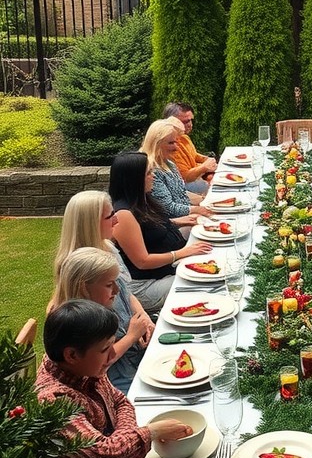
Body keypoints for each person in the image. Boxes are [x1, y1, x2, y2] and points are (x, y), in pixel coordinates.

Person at [35, 300, 193, 458]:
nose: (112, 355)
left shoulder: (83, 367)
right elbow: (104, 456)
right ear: (72, 355)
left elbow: (119, 401)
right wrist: (152, 432)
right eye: (104, 349)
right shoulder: (54, 401)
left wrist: (122, 439)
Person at [109, 151, 211, 313]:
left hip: (167, 268)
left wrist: (178, 222)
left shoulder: (142, 198)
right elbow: (142, 261)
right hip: (146, 284)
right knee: (202, 284)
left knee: (209, 252)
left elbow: (147, 228)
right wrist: (182, 253)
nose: (153, 177)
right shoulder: (123, 214)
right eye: (148, 173)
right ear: (134, 179)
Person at [50, 247, 152, 394]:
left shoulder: (107, 295)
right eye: (109, 285)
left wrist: (144, 318)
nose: (116, 290)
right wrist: (131, 336)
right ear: (83, 287)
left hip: (138, 362)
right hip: (117, 381)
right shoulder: (74, 324)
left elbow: (127, 295)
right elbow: (102, 362)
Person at [54, 188, 161, 318]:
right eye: (110, 216)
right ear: (91, 223)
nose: (116, 220)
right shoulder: (79, 266)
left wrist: (142, 314)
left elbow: (125, 291)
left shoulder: (108, 246)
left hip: (131, 324)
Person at [140, 118, 211, 218]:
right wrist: (196, 209)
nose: (176, 148)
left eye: (176, 142)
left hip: (184, 216)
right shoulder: (150, 170)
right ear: (156, 143)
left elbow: (180, 193)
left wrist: (204, 200)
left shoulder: (169, 163)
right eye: (171, 143)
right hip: (171, 224)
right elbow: (167, 209)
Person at [162, 102, 217, 194]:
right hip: (183, 187)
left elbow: (194, 155)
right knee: (216, 186)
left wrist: (207, 159)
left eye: (191, 120)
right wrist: (204, 167)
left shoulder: (184, 137)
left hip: (195, 179)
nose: (190, 124)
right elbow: (185, 177)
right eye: (185, 121)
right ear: (171, 122)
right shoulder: (169, 145)